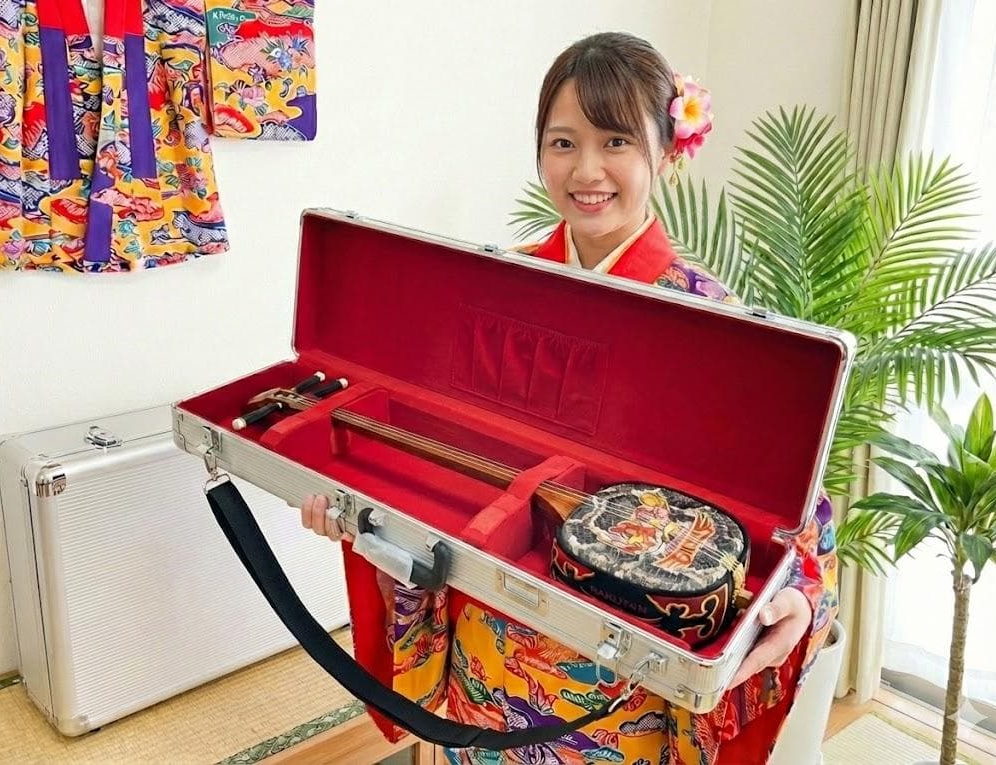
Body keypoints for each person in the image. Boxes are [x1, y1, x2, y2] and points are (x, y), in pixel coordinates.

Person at [301, 32, 838, 765]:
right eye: (562, 143)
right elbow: (449, 437)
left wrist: (799, 593)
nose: (586, 171)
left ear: (667, 151)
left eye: (616, 141)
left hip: (624, 688)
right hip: (486, 657)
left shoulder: (718, 323)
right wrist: (363, 511)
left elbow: (798, 514)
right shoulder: (503, 284)